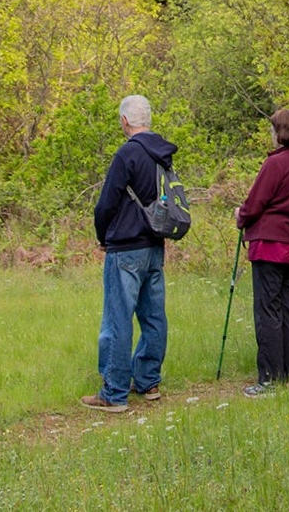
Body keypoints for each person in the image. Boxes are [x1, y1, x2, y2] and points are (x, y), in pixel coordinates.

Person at [83, 95, 176, 413]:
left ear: (125, 120)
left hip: (125, 246)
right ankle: (148, 381)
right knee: (153, 315)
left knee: (117, 318)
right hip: (155, 244)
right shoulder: (163, 152)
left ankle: (114, 391)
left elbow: (106, 203)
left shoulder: (127, 154)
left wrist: (102, 237)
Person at [235, 108, 289, 397]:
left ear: (281, 132)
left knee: (268, 310)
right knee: (288, 309)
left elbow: (255, 203)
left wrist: (240, 216)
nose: (271, 135)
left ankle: (269, 379)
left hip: (271, 245)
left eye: (273, 129)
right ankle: (287, 374)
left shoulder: (276, 164)